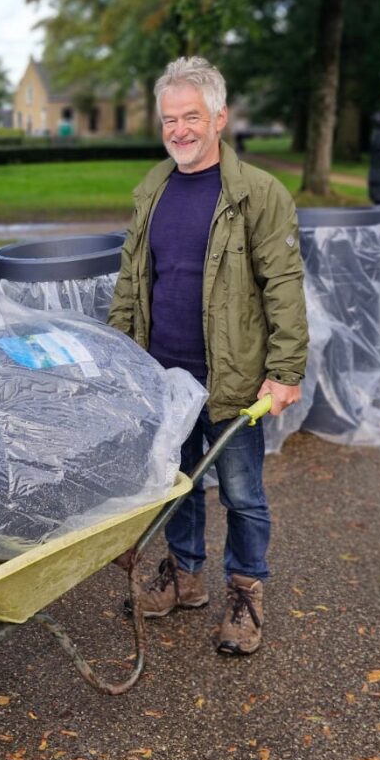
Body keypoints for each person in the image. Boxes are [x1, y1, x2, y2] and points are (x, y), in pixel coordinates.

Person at [108, 56, 307, 656]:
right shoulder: (153, 190)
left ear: (219, 118)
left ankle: (245, 594)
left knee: (242, 493)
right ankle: (185, 577)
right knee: (178, 485)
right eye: (169, 119)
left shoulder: (257, 195)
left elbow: (284, 285)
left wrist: (285, 371)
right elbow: (131, 281)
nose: (179, 130)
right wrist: (120, 355)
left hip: (234, 379)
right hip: (165, 376)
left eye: (191, 116)